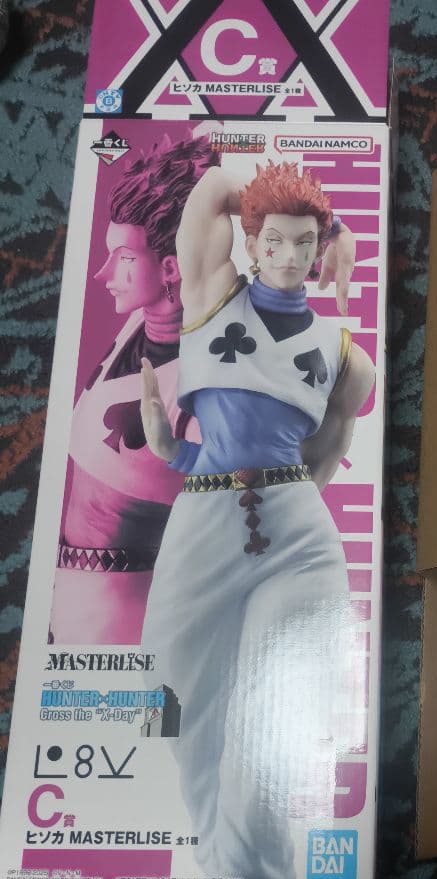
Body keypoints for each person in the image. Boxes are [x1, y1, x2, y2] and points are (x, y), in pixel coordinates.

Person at [140, 161, 374, 879]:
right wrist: (328, 217)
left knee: (275, 701)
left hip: (297, 539)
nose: (289, 255)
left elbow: (322, 460)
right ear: (252, 241)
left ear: (317, 250)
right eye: (274, 239)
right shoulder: (211, 294)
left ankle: (257, 874)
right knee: (171, 685)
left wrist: (274, 504)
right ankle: (219, 851)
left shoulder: (348, 359)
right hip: (203, 520)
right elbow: (211, 188)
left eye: (307, 242)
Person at [51, 136, 356, 645]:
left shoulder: (220, 375)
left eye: (123, 257)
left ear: (170, 267)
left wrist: (331, 226)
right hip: (67, 595)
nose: (104, 273)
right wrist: (331, 225)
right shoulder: (139, 326)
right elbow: (214, 185)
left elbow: (267, 490)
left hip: (134, 607)